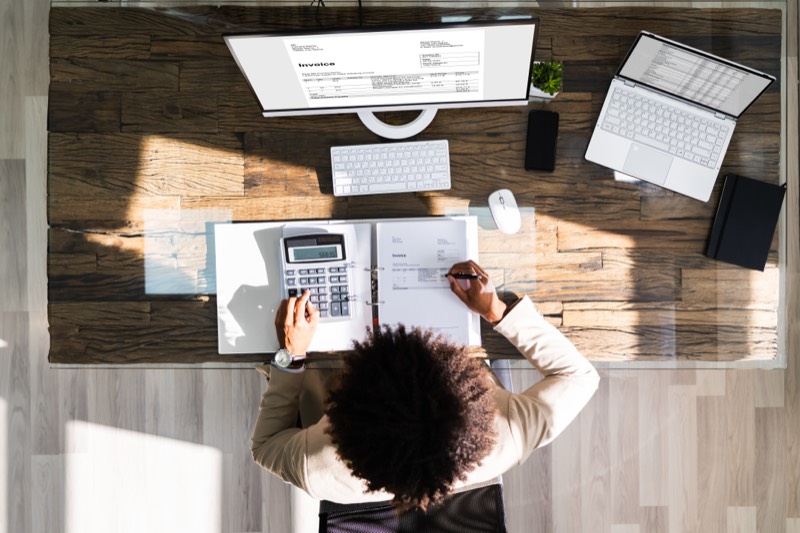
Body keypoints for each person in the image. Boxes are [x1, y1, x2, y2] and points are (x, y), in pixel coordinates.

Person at [251, 260, 599, 511]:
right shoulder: (507, 431)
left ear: (343, 412)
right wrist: (497, 311)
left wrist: (290, 356)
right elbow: (580, 378)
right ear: (474, 398)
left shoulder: (319, 467)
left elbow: (265, 446)